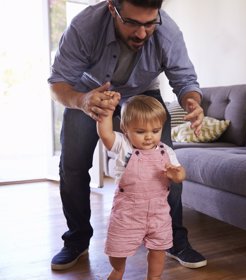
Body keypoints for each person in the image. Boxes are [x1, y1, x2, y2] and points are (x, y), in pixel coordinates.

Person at [48, 0, 206, 271]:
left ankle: (174, 240)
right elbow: (58, 83)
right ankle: (77, 240)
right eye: (132, 23)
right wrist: (82, 100)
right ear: (112, 8)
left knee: (166, 165)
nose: (142, 33)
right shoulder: (84, 27)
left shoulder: (168, 31)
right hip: (87, 92)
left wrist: (192, 101)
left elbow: (185, 80)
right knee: (72, 166)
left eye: (149, 23)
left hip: (143, 93)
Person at [98, 94, 186, 280]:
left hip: (158, 213)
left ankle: (154, 277)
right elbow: (105, 134)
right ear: (125, 129)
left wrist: (177, 175)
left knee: (158, 249)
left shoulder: (166, 151)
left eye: (155, 130)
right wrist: (105, 112)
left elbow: (180, 174)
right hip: (128, 213)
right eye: (140, 131)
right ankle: (117, 270)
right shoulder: (123, 145)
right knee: (117, 249)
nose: (149, 137)